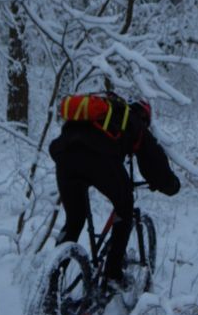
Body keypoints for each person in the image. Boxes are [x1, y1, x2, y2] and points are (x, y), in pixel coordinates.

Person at [49, 95, 180, 291]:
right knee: (125, 208)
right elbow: (154, 163)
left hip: (65, 157)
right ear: (145, 116)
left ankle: (49, 289)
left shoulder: (101, 116)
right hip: (99, 159)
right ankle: (113, 274)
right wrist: (171, 186)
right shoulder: (134, 122)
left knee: (74, 219)